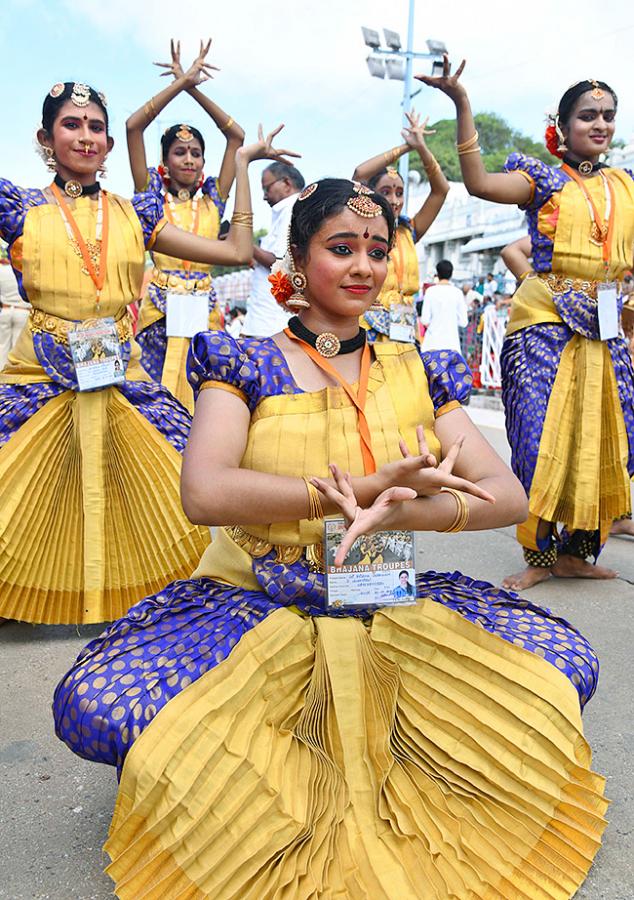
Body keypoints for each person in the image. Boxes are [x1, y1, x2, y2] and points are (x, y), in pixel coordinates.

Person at [55, 178, 605, 897]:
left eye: (377, 251)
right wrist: (346, 495)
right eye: (340, 248)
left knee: (557, 675)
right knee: (107, 707)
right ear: (297, 257)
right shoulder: (242, 361)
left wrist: (400, 511)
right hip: (258, 603)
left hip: (385, 598)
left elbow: (507, 495)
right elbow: (205, 491)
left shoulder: (416, 369)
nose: (363, 268)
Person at [0, 77, 292, 625]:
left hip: (121, 369)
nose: (85, 137)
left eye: (95, 128)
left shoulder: (137, 212)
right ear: (45, 137)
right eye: (71, 125)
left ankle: (132, 589)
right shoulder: (20, 208)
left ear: (109, 144)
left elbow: (232, 249)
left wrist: (245, 164)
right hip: (39, 368)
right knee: (29, 482)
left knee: (172, 471)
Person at [420, 57, 634, 589]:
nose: (600, 124)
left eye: (608, 115)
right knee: (538, 438)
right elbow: (478, 183)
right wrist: (462, 104)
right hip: (543, 322)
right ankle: (540, 556)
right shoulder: (540, 180)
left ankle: (578, 552)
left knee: (610, 438)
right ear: (561, 128)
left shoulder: (624, 185)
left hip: (607, 325)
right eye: (587, 115)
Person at [126, 40, 245, 413]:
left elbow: (236, 137)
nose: (189, 159)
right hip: (161, 310)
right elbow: (133, 127)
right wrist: (178, 85)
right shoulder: (150, 195)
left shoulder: (214, 199)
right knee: (156, 397)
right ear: (164, 160)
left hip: (204, 308)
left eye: (196, 153)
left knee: (206, 393)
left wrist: (193, 87)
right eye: (180, 152)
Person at [353, 110, 449, 342]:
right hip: (368, 325)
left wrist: (422, 148)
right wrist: (406, 147)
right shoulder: (361, 230)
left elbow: (441, 190)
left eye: (399, 193)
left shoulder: (408, 231)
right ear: (370, 194)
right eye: (386, 192)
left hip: (404, 323)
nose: (395, 201)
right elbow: (360, 173)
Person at [242, 161, 305, 336]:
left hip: (272, 323)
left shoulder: (293, 210)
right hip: (266, 319)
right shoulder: (285, 212)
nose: (264, 196)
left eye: (266, 188)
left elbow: (281, 263)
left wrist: (245, 243)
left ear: (286, 183)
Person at [420, 258, 468, 352]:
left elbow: (424, 319)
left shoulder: (430, 291)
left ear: (437, 273)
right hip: (452, 345)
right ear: (451, 274)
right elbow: (464, 322)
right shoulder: (457, 293)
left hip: (432, 344)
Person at [0, 248, 30, 369]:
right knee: (17, 348)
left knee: (2, 346)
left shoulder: (2, 270)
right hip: (22, 311)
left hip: (5, 311)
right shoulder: (25, 272)